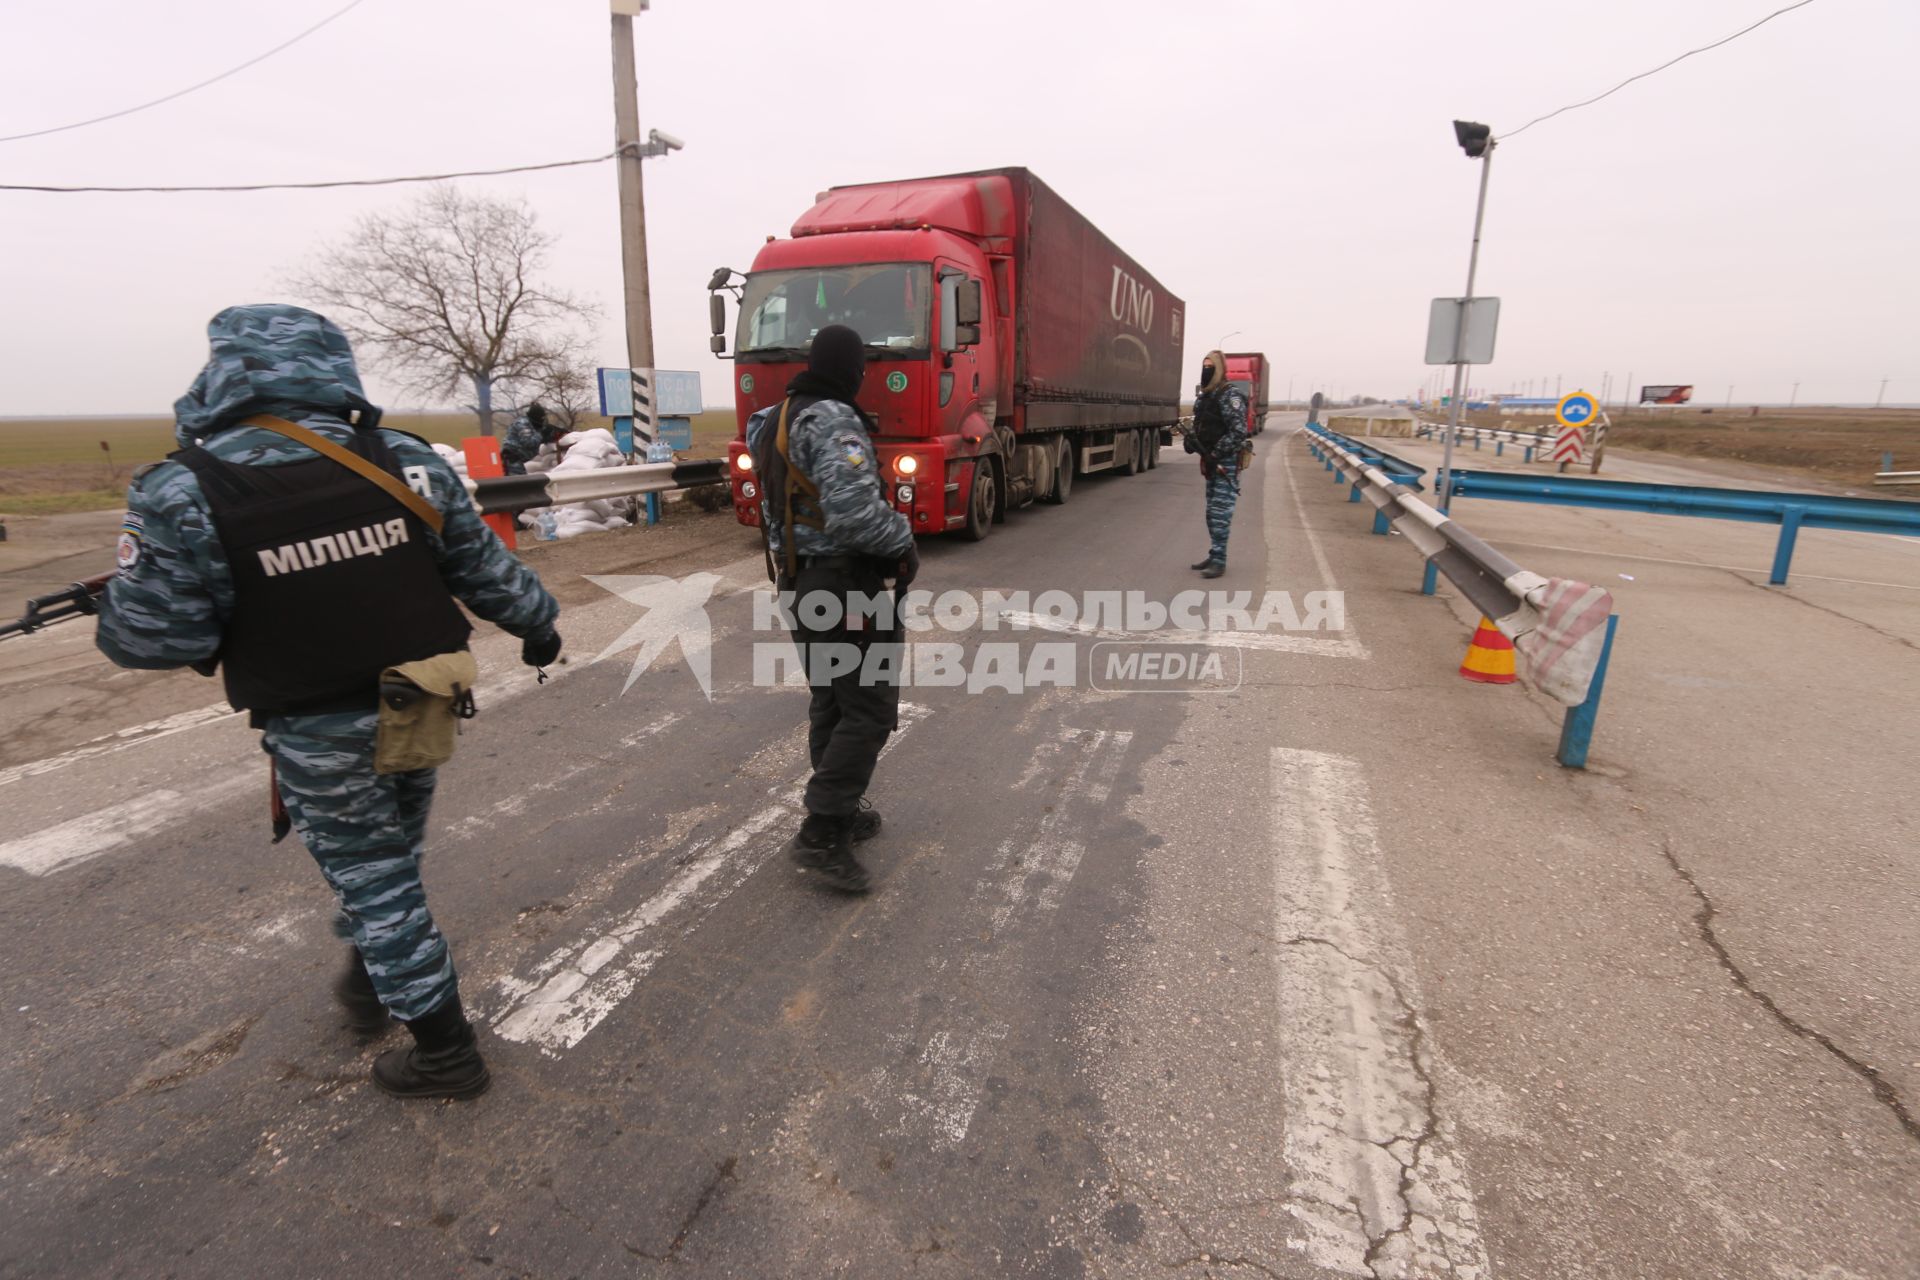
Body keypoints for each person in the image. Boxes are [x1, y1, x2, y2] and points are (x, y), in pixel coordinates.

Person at [95, 304, 562, 1101]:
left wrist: (131, 593)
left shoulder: (183, 490)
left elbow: (154, 640)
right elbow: (484, 570)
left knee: (376, 876)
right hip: (422, 698)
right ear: (332, 366)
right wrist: (538, 627)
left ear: (225, 374)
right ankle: (374, 973)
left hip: (316, 721)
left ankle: (446, 1050)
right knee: (392, 856)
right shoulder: (405, 461)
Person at [746, 325, 917, 894]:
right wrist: (903, 540)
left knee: (833, 698)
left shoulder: (775, 418)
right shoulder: (835, 419)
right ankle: (822, 831)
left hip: (798, 584)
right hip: (845, 587)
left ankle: (840, 813)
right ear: (851, 370)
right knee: (868, 707)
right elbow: (854, 516)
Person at [1185, 350, 1250, 578]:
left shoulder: (1228, 396)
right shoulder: (1206, 397)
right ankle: (1214, 554)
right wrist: (1192, 441)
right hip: (1211, 460)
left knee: (1220, 513)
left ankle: (1220, 561)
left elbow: (1239, 431)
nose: (1206, 370)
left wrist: (1217, 453)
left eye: (1210, 366)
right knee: (1211, 513)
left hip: (1226, 462)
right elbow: (1201, 426)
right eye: (1204, 365)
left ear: (1219, 369)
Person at [501, 401, 559, 475]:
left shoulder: (535, 425)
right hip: (513, 459)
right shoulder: (522, 423)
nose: (542, 421)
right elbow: (528, 442)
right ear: (535, 417)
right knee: (518, 483)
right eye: (541, 418)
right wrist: (542, 433)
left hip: (521, 460)